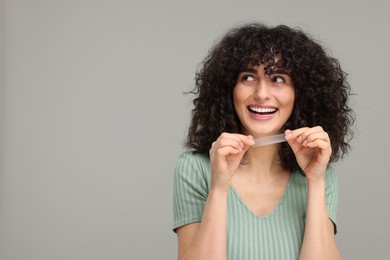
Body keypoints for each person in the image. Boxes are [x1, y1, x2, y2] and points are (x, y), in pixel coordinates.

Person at [172, 23, 354, 260]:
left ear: (300, 93)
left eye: (278, 79)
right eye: (248, 77)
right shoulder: (195, 168)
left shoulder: (320, 175)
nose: (261, 94)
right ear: (229, 88)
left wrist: (316, 182)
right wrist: (218, 189)